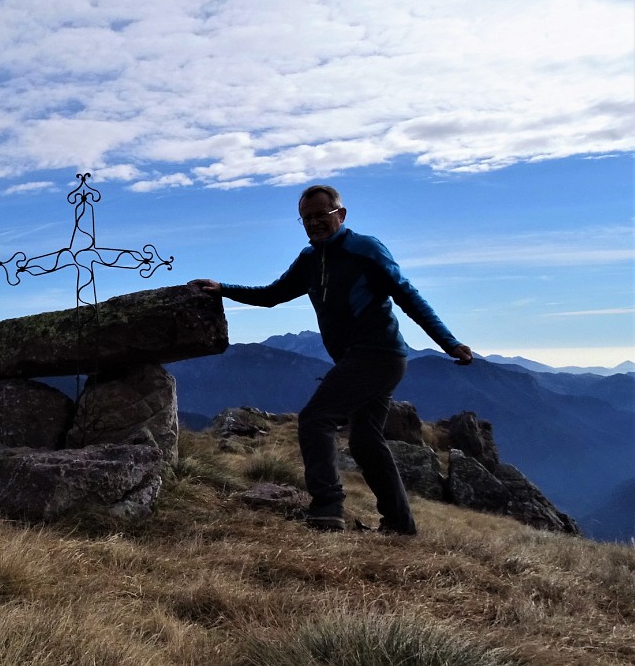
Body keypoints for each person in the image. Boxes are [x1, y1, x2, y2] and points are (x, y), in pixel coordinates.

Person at [190, 184, 472, 535]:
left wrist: (449, 342)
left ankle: (327, 510)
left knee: (315, 419)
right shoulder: (310, 259)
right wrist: (224, 288)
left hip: (379, 354)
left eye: (320, 216)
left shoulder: (365, 249)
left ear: (341, 214)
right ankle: (400, 525)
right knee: (366, 442)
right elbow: (272, 295)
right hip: (359, 360)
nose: (313, 224)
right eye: (306, 219)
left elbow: (408, 296)